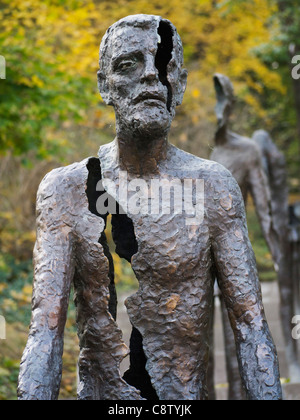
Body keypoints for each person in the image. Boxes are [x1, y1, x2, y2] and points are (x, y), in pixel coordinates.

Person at [18, 14, 282, 400]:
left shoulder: (213, 186)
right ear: (104, 85)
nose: (149, 77)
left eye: (162, 66)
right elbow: (45, 327)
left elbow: (251, 324)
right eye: (128, 65)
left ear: (181, 83)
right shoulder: (65, 190)